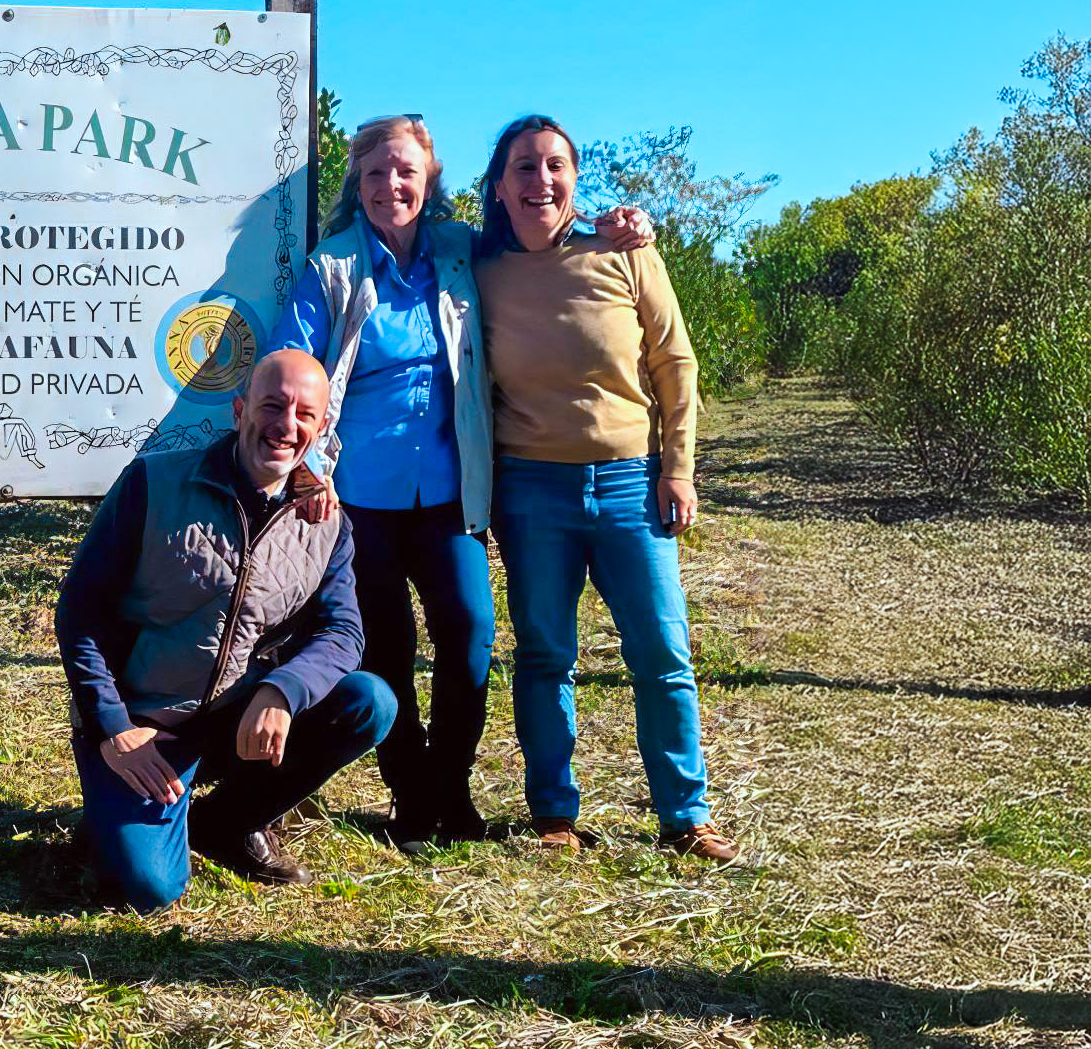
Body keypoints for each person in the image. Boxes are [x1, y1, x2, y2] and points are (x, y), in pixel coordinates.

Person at [271, 114, 651, 851]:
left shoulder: (456, 251)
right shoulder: (333, 269)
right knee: (384, 646)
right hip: (358, 503)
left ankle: (451, 785)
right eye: (377, 174)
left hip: (451, 492)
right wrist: (308, 468)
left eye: (406, 172)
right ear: (359, 183)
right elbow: (294, 369)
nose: (391, 187)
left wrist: (619, 223)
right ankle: (411, 797)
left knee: (470, 633)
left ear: (429, 182)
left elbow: (538, 231)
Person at [474, 114, 741, 865]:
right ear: (498, 185)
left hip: (631, 483)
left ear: (575, 178)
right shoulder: (477, 266)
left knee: (661, 654)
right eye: (523, 167)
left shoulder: (624, 252)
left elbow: (674, 364)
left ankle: (684, 815)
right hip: (529, 488)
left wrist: (678, 467)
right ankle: (552, 813)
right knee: (543, 655)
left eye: (555, 165)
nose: (541, 181)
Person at [54, 350, 396, 910]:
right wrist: (113, 728)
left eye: (305, 414)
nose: (287, 425)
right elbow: (80, 612)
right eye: (272, 405)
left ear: (323, 427)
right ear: (239, 411)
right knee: (149, 891)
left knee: (368, 702)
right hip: (146, 728)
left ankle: (223, 823)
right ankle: (123, 819)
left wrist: (281, 691)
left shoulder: (327, 520)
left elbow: (343, 632)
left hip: (237, 716)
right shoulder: (153, 482)